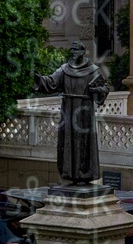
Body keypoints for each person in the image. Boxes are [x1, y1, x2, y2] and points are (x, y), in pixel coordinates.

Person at [34, 41, 109, 185]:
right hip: (68, 111)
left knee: (84, 143)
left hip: (84, 112)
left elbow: (104, 89)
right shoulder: (64, 70)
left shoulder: (93, 70)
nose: (72, 52)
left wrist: (98, 90)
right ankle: (70, 174)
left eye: (75, 50)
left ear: (82, 52)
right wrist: (37, 78)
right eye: (72, 50)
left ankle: (84, 174)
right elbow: (51, 82)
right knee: (68, 141)